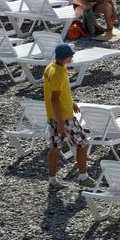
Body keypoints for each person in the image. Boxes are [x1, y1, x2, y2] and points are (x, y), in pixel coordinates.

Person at [44, 43, 95, 191]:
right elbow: (55, 99)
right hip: (64, 117)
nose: (72, 57)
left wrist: (71, 102)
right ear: (63, 57)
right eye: (70, 55)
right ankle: (83, 177)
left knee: (55, 148)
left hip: (53, 115)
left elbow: (56, 92)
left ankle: (52, 180)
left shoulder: (51, 67)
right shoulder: (59, 73)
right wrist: (61, 122)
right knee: (83, 144)